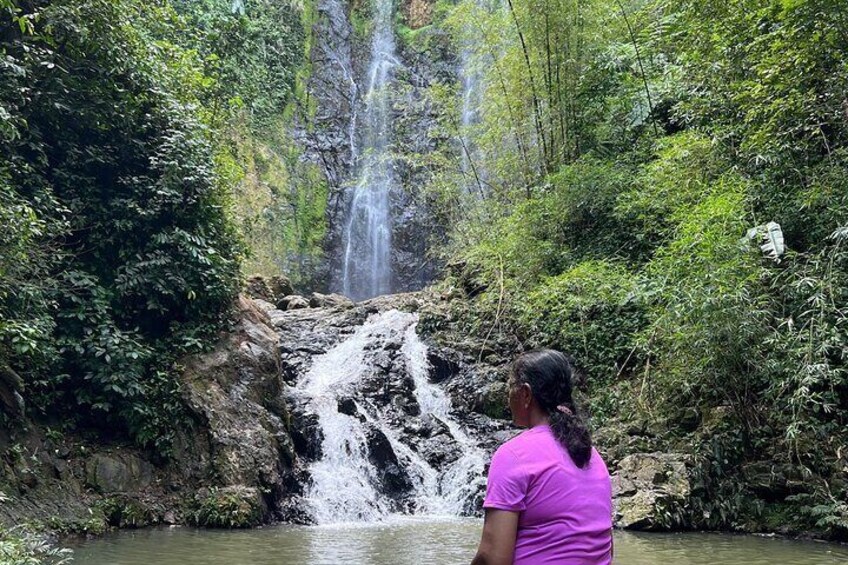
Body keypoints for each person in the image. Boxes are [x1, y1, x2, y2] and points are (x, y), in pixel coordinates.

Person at [471, 349, 613, 565]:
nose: (507, 396)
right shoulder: (592, 455)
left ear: (526, 394)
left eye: (510, 387)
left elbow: (493, 559)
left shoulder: (514, 455)